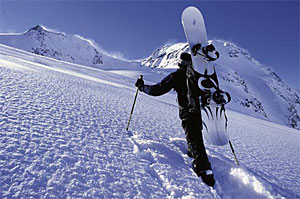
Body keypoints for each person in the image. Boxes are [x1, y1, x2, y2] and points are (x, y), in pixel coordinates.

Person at [135, 52, 215, 187]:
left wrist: (141, 86)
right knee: (195, 134)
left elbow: (156, 90)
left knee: (193, 135)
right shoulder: (198, 77)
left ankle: (204, 170)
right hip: (198, 112)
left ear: (179, 62)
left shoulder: (176, 76)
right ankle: (192, 152)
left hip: (186, 111)